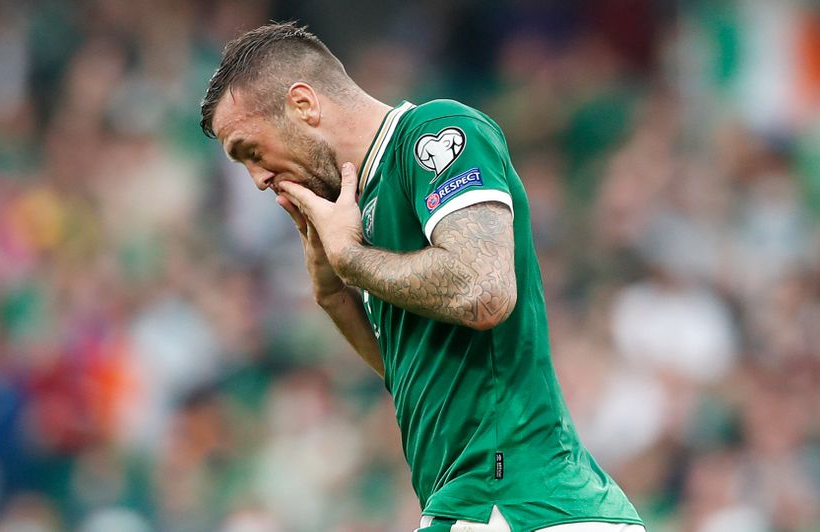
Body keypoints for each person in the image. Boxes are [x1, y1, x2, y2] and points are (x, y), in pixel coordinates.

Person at [200, 22, 645, 532]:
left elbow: (486, 290)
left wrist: (352, 259)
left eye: (250, 152)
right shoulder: (362, 209)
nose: (258, 180)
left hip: (512, 499)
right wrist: (332, 293)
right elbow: (407, 376)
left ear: (304, 105)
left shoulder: (433, 133)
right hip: (488, 501)